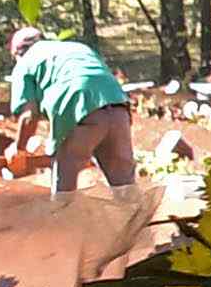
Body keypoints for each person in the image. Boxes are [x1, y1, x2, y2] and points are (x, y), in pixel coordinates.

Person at [8, 21, 144, 198]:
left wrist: (18, 149)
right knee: (125, 188)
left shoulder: (25, 63)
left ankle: (64, 222)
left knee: (65, 187)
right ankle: (138, 224)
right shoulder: (77, 48)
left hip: (78, 109)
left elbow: (29, 115)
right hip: (118, 107)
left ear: (17, 53)